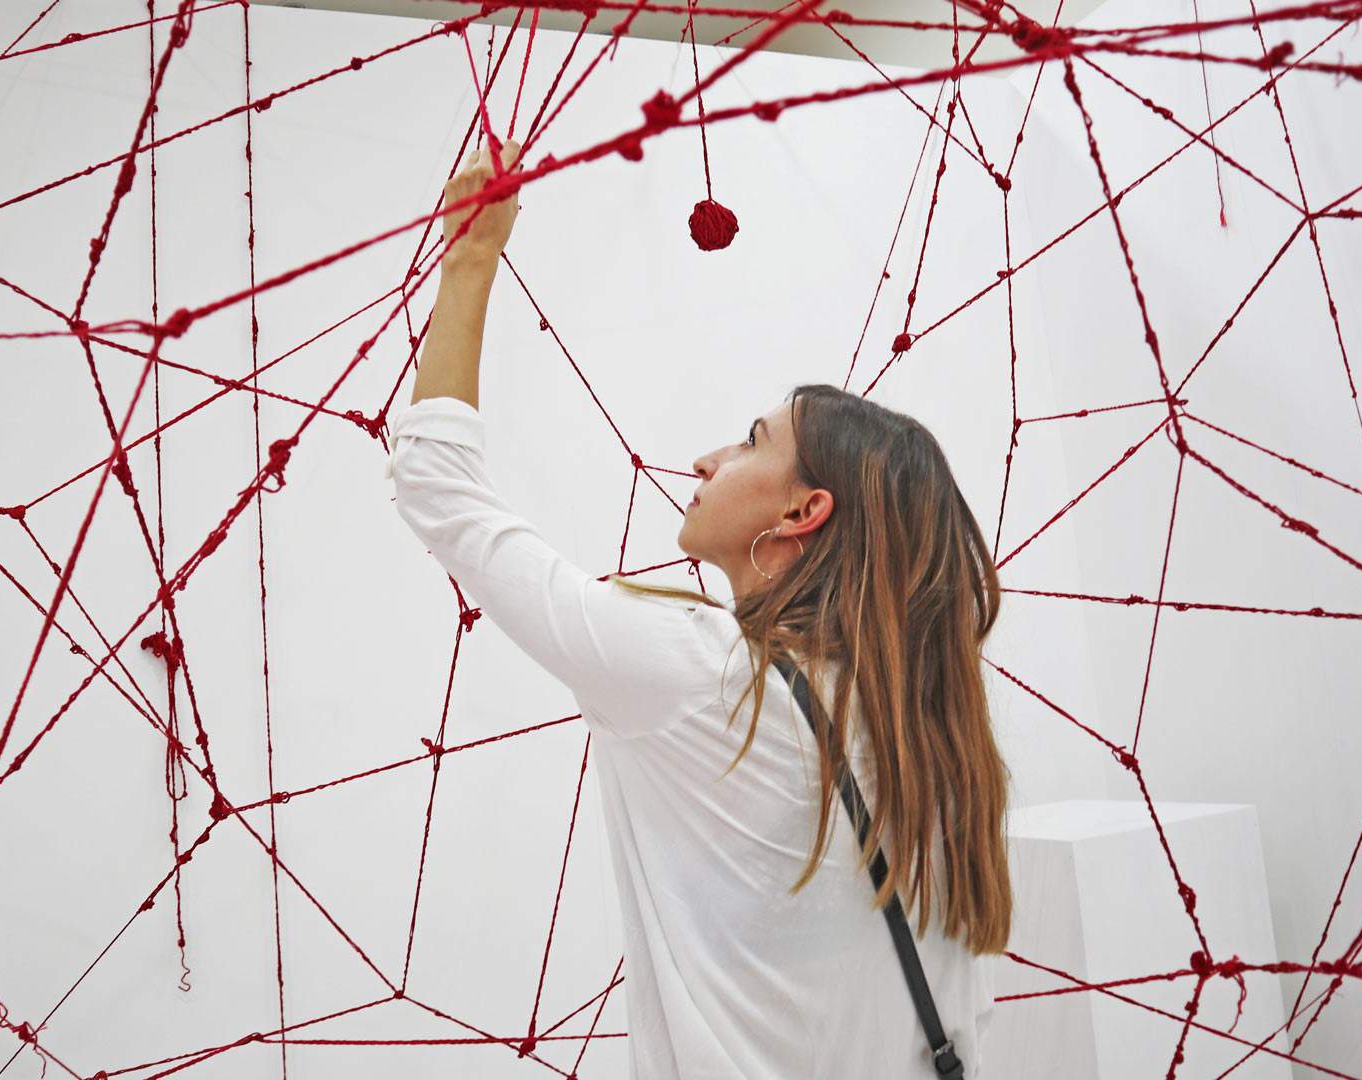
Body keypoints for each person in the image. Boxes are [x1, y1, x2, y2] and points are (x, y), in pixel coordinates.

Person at [384, 136, 1011, 1078]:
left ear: (802, 513)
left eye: (751, 442)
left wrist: (471, 254)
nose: (709, 459)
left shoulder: (701, 675)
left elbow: (438, 483)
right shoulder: (933, 732)